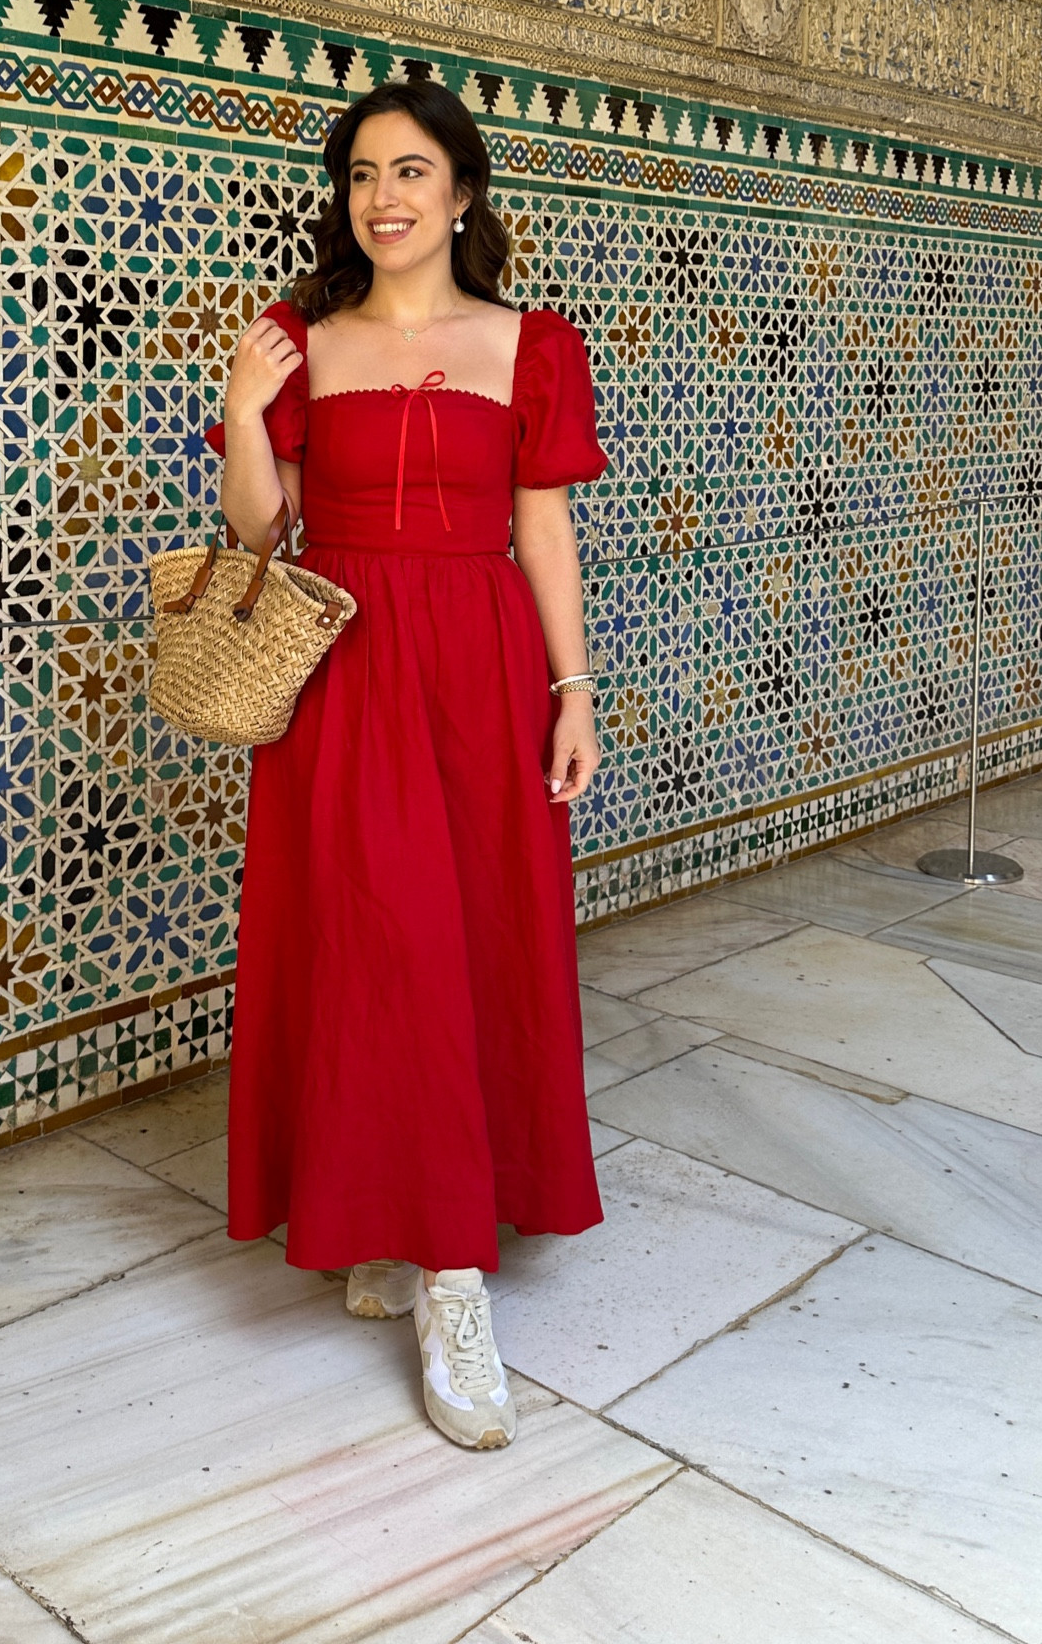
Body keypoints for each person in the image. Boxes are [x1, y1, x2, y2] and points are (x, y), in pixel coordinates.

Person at [207, 79, 606, 1451]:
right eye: (364, 174)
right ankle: (402, 1230)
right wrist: (246, 412)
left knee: (470, 939)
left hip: (483, 671)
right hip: (346, 669)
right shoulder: (300, 341)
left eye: (412, 171)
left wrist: (573, 694)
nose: (384, 197)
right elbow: (260, 532)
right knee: (368, 944)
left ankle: (451, 1268)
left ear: (462, 191)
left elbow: (542, 531)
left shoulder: (531, 346)